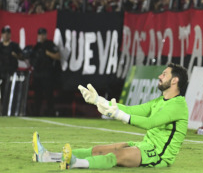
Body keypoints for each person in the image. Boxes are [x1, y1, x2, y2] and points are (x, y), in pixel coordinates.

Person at [32, 63, 189, 169]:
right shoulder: (160, 101)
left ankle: (75, 163)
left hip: (159, 155)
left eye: (164, 74)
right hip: (145, 146)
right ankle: (48, 156)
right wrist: (98, 100)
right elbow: (131, 110)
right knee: (100, 149)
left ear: (174, 80)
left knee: (117, 155)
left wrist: (120, 116)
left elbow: (150, 123)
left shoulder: (178, 105)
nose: (159, 77)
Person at [30, 28, 60, 116]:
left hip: (47, 74)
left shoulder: (50, 44)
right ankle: (36, 113)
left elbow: (58, 56)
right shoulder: (36, 47)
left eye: (43, 34)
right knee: (37, 96)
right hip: (37, 74)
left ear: (46, 35)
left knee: (49, 95)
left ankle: (51, 113)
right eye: (40, 34)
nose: (41, 36)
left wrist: (48, 53)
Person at [0, 25, 23, 115]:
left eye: (8, 33)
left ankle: (10, 111)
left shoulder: (14, 46)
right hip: (1, 73)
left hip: (11, 74)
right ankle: (1, 111)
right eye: (4, 33)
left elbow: (22, 57)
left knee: (10, 94)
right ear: (1, 34)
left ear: (10, 35)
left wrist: (16, 56)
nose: (6, 35)